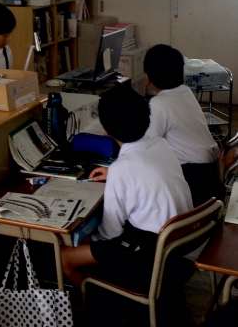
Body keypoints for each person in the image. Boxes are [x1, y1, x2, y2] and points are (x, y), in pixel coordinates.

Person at [61, 86, 192, 289]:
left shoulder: (122, 169)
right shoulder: (160, 144)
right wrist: (115, 174)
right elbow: (146, 172)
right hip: (178, 243)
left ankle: (97, 295)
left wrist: (88, 241)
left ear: (105, 129)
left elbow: (110, 233)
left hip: (149, 255)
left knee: (65, 257)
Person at [144, 44, 220, 206]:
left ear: (149, 76)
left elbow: (145, 147)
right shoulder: (185, 91)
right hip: (211, 171)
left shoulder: (159, 103)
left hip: (193, 178)